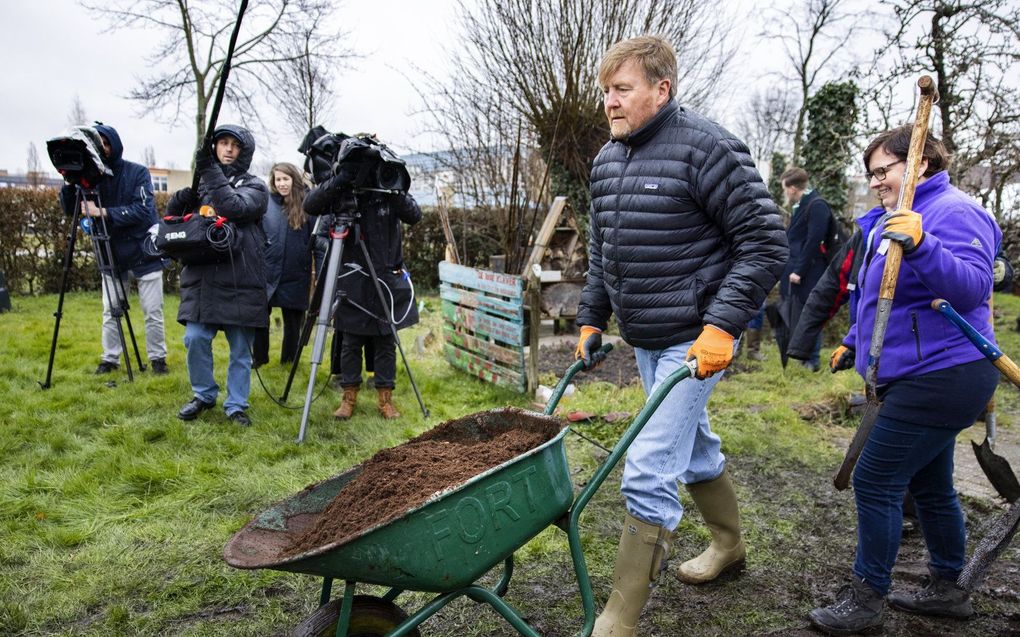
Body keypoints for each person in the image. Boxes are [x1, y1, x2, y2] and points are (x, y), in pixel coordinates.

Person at [574, 35, 788, 636]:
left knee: (648, 465)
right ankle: (729, 546)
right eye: (605, 92)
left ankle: (618, 616)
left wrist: (722, 326)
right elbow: (603, 251)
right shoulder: (607, 160)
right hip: (646, 335)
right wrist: (593, 315)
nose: (610, 103)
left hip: (694, 342)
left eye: (622, 89)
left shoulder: (708, 148)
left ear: (661, 89)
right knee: (690, 447)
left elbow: (766, 243)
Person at [808, 125, 1001, 635]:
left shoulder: (955, 212)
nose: (875, 182)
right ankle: (946, 587)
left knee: (875, 478)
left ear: (919, 165)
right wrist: (854, 339)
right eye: (871, 174)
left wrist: (921, 243)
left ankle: (866, 598)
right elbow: (880, 295)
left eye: (883, 171)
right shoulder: (891, 218)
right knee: (930, 483)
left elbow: (973, 286)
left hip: (947, 372)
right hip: (917, 370)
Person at [303, 142, 422, 420]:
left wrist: (393, 187)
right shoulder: (345, 191)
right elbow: (311, 204)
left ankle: (385, 400)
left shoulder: (388, 189)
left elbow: (414, 215)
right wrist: (343, 176)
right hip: (352, 275)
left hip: (384, 277)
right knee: (351, 341)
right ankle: (348, 398)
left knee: (385, 342)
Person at [168, 125, 269, 427]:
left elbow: (233, 206)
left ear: (244, 151)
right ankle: (203, 395)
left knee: (240, 349)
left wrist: (209, 172)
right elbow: (175, 222)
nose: (227, 149)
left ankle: (236, 404)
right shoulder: (203, 183)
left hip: (242, 279)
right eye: (221, 143)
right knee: (195, 337)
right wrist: (182, 198)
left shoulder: (256, 187)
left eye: (234, 145)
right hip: (203, 279)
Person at [59, 122, 169, 375]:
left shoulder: (137, 172)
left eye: (107, 143)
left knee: (152, 311)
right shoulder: (88, 177)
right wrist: (68, 181)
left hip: (145, 251)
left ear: (115, 144)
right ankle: (109, 359)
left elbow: (143, 210)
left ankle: (158, 359)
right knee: (111, 310)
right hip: (110, 253)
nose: (103, 148)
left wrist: (103, 212)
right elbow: (69, 209)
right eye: (99, 144)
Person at [253, 162, 320, 367]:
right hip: (268, 270)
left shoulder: (308, 204)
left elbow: (316, 240)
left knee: (293, 322)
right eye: (278, 179)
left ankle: (289, 361)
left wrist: (319, 272)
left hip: (296, 272)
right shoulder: (266, 203)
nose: (281, 183)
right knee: (260, 317)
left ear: (294, 179)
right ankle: (259, 357)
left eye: (285, 179)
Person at [779, 166, 833, 371]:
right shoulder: (802, 205)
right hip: (797, 270)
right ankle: (803, 356)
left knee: (812, 312)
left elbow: (813, 241)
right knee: (800, 313)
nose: (785, 193)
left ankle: (813, 360)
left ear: (792, 188)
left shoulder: (816, 205)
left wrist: (798, 271)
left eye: (785, 189)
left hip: (809, 272)